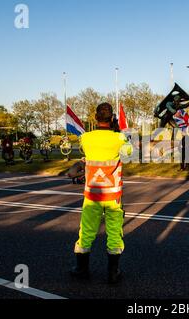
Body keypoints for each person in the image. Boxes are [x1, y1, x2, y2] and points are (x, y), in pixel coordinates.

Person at [70, 103, 132, 284]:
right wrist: (118, 133)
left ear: (95, 118)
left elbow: (84, 155)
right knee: (114, 233)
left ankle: (82, 269)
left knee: (87, 232)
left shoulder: (86, 138)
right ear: (112, 118)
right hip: (113, 197)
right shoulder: (119, 138)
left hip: (92, 196)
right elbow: (128, 154)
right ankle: (113, 273)